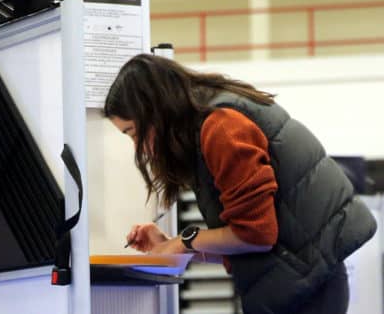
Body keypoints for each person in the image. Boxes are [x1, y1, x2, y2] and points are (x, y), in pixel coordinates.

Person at [103, 53, 377, 314]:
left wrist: (183, 242)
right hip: (299, 281)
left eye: (134, 133)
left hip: (307, 289)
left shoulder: (221, 128)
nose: (139, 148)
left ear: (155, 111)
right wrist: (172, 246)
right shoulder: (208, 125)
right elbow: (244, 243)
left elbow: (256, 235)